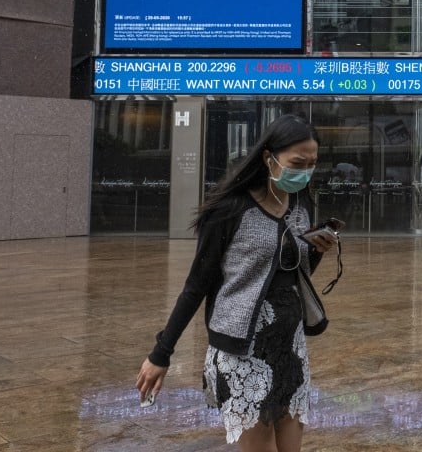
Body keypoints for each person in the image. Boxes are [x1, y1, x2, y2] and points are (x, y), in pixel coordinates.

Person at [135, 114, 339, 451]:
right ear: (268, 157)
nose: (305, 171)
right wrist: (161, 353)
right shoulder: (231, 209)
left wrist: (315, 251)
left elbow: (289, 275)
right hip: (242, 353)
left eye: (312, 163)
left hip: (291, 348)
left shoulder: (301, 203)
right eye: (297, 163)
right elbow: (196, 285)